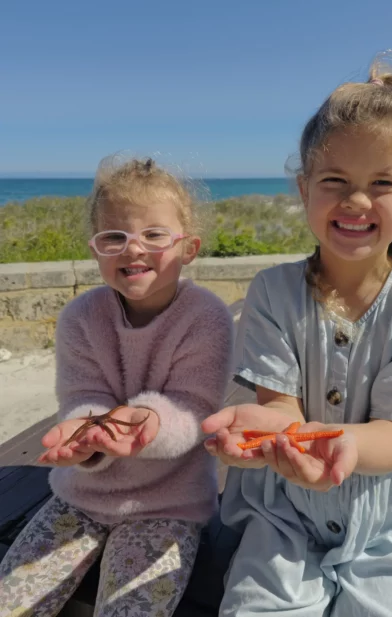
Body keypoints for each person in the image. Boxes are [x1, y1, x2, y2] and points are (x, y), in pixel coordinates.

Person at [202, 58, 392, 616]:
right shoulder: (271, 292)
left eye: (382, 183)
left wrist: (345, 444)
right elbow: (279, 408)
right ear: (304, 187)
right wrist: (267, 435)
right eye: (334, 181)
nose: (356, 201)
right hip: (285, 511)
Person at [0, 156, 234, 617]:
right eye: (115, 236)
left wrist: (144, 423)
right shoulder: (80, 318)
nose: (133, 249)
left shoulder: (207, 317)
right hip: (80, 497)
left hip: (169, 504)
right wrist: (85, 440)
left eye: (154, 234)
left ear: (188, 247)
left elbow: (193, 408)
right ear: (96, 249)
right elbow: (82, 397)